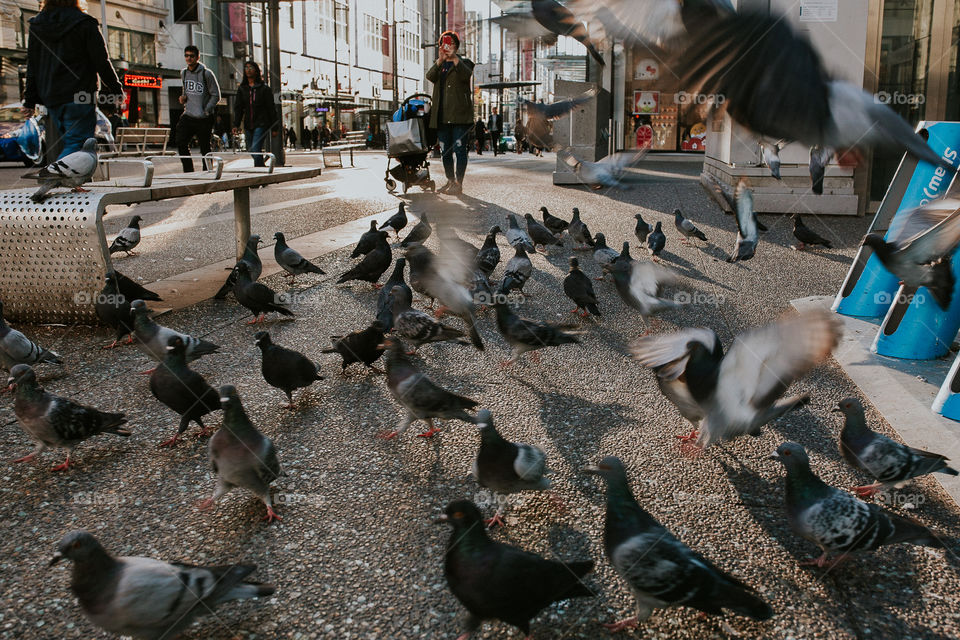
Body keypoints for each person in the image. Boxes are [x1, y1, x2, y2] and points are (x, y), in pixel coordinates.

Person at [22, 0, 123, 160]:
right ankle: (53, 176)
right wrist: (116, 89)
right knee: (78, 145)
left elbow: (32, 65)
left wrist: (29, 100)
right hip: (80, 94)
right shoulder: (85, 23)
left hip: (52, 97)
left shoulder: (37, 26)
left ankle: (67, 180)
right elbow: (101, 61)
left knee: (72, 142)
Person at [426, 30, 474, 195]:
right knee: (445, 151)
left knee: (460, 150)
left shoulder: (464, 62)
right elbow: (429, 76)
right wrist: (440, 60)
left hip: (460, 117)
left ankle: (458, 183)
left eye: (450, 44)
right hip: (441, 117)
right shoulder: (439, 65)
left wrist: (453, 58)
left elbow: (466, 75)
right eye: (444, 44)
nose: (447, 47)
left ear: (456, 46)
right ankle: (450, 181)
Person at [176, 45, 221, 172]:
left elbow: (216, 95)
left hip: (203, 117)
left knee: (205, 147)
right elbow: (185, 91)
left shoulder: (207, 73)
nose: (189, 58)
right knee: (180, 141)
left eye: (192, 56)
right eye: (186, 56)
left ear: (198, 57)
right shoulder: (184, 73)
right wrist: (183, 98)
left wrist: (206, 110)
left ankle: (207, 171)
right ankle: (188, 170)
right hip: (188, 115)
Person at [233, 60, 276, 168]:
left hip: (262, 123)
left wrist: (275, 127)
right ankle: (262, 170)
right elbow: (238, 108)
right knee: (251, 149)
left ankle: (259, 173)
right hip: (248, 124)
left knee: (256, 149)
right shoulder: (242, 89)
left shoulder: (264, 89)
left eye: (251, 68)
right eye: (246, 68)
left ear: (256, 71)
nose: (248, 70)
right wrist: (236, 124)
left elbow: (271, 108)